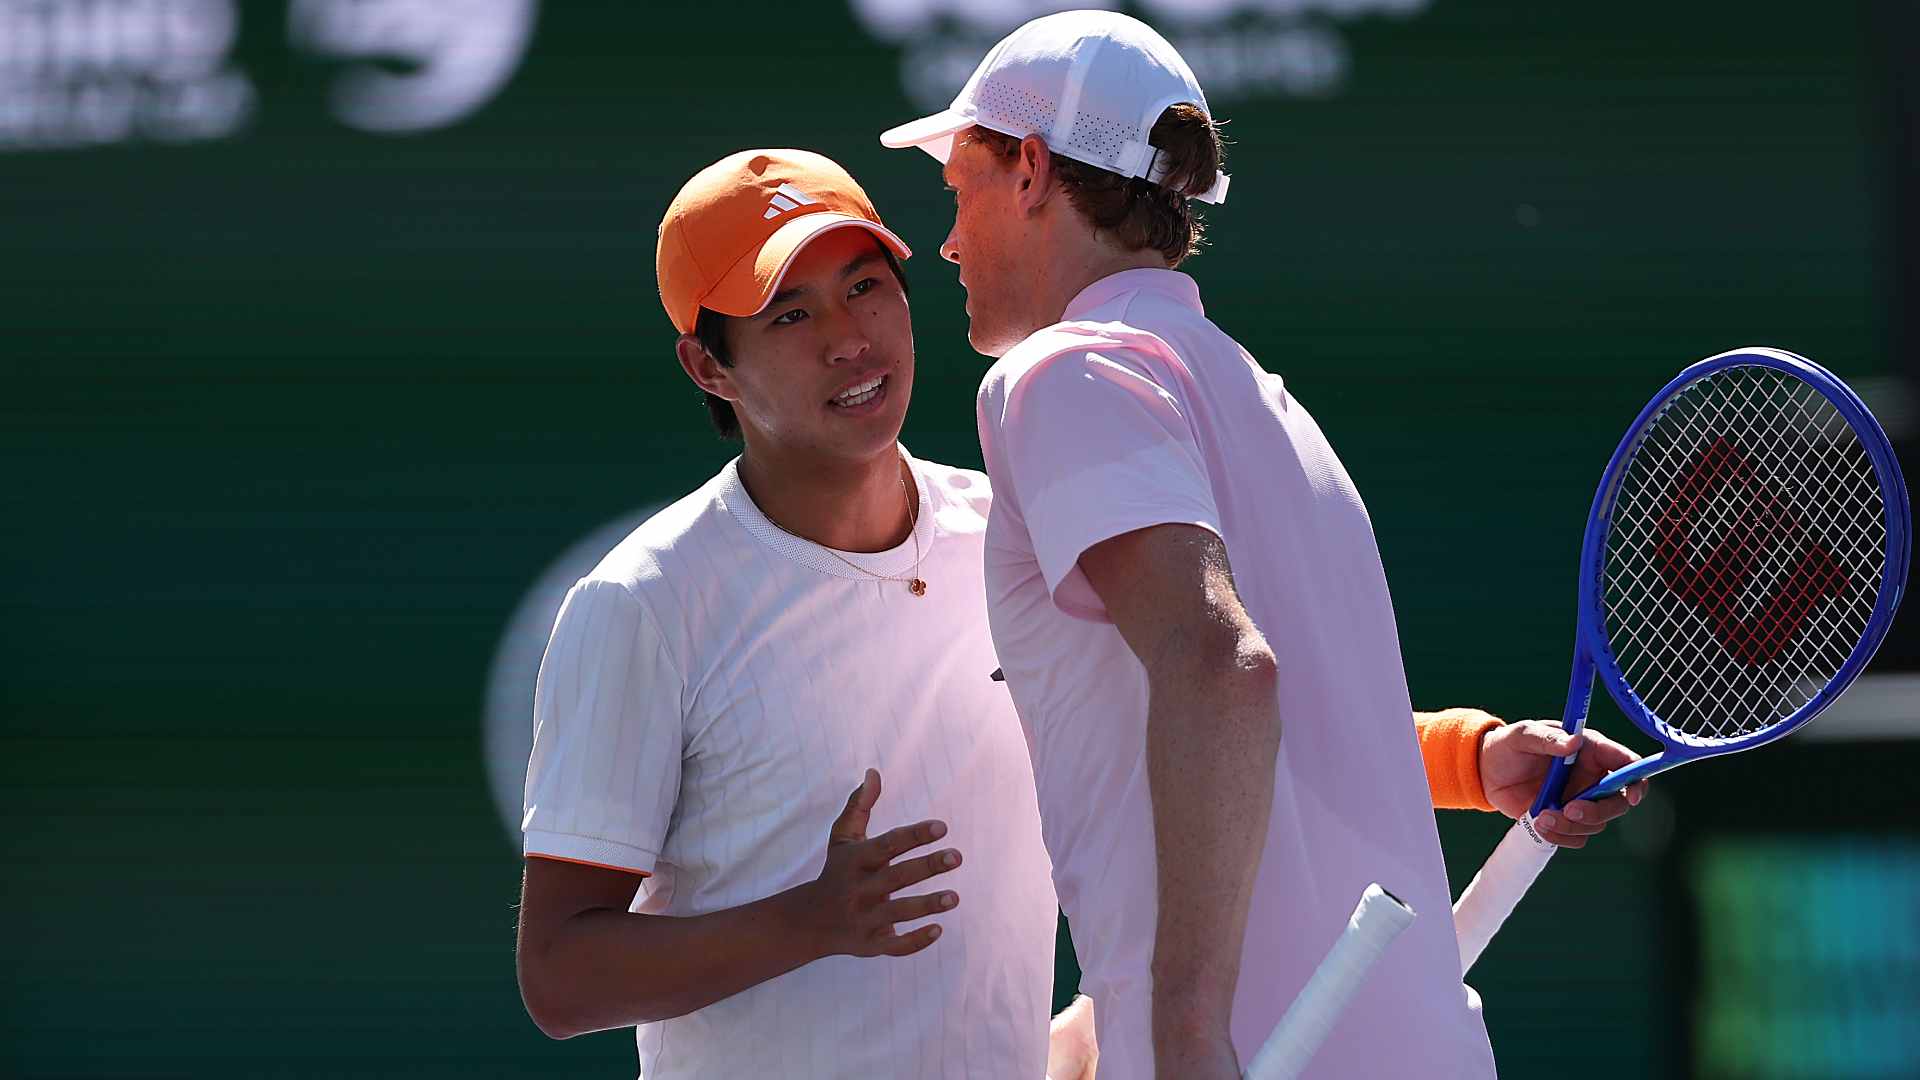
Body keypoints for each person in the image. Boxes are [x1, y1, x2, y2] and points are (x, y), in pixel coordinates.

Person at [881, 12, 1649, 1078]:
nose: (950, 242)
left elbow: (1221, 669)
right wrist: (1467, 759)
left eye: (959, 190)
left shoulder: (1063, 374)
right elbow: (1281, 716)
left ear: (1032, 170)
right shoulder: (1271, 404)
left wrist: (1189, 1030)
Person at [511, 148, 1080, 1079]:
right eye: (791, 313)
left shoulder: (1013, 536)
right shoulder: (642, 603)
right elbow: (560, 977)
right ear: (709, 367)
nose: (850, 339)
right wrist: (811, 922)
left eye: (864, 286)